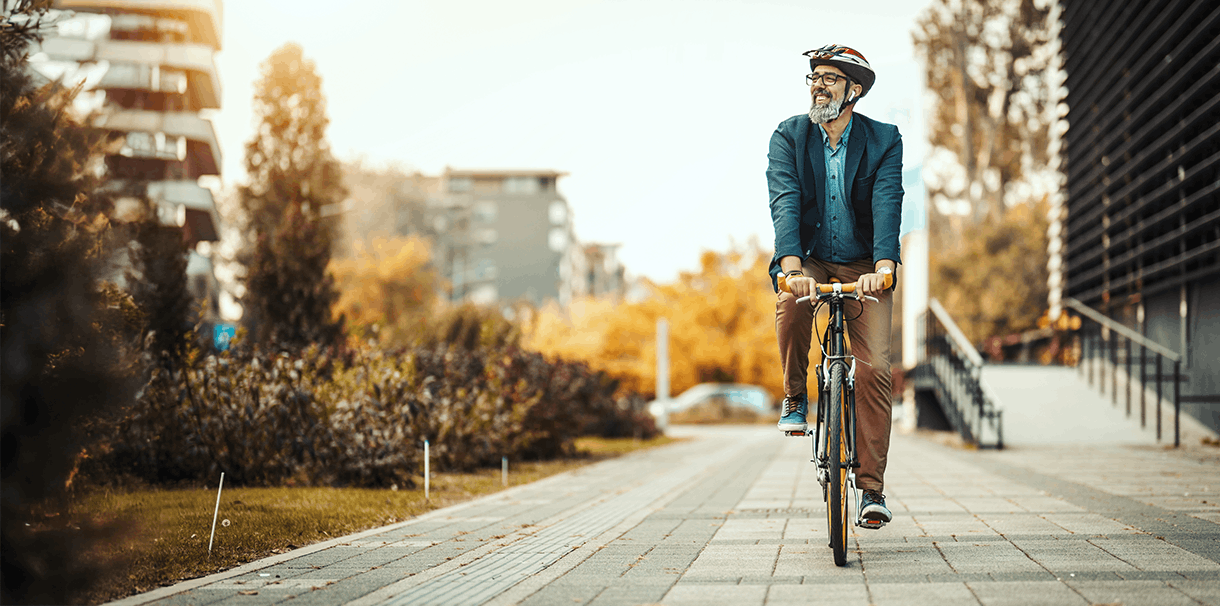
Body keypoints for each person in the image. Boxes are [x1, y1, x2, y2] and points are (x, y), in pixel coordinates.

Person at [767, 44, 902, 526]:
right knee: (792, 301)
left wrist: (884, 264)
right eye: (814, 77)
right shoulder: (789, 135)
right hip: (812, 259)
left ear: (854, 90)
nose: (818, 84)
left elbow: (888, 200)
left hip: (866, 263)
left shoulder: (884, 139)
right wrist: (792, 267)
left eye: (829, 77)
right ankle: (795, 395)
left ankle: (871, 492)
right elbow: (784, 199)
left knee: (872, 370)